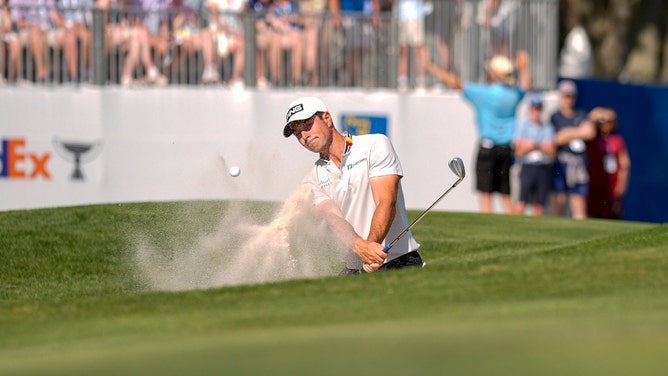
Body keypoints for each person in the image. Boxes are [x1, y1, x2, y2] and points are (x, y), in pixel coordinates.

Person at [282, 96, 424, 275]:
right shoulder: (310, 181)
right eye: (297, 134)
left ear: (327, 118)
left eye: (307, 125)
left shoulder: (375, 145)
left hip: (400, 262)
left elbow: (386, 202)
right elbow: (333, 219)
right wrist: (362, 248)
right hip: (357, 267)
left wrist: (370, 252)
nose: (304, 136)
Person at [426, 50, 531, 214]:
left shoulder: (485, 93)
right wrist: (524, 68)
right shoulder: (513, 95)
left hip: (488, 148)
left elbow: (455, 83)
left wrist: (432, 67)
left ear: (494, 74)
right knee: (506, 195)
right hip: (506, 149)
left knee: (486, 195)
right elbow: (525, 87)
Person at [549, 79, 589, 219]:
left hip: (578, 162)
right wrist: (577, 131)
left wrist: (567, 133)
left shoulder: (581, 114)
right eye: (566, 96)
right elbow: (556, 139)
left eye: (571, 96)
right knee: (559, 200)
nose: (569, 99)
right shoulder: (555, 117)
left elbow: (589, 132)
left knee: (579, 202)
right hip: (561, 161)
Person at [513, 94, 555, 216]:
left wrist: (533, 145)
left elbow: (551, 150)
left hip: (542, 167)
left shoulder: (547, 127)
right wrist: (540, 146)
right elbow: (519, 149)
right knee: (522, 200)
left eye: (539, 108)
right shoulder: (523, 125)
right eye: (534, 108)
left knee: (540, 203)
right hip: (527, 166)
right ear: (530, 109)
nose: (536, 111)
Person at [584, 107, 630, 219]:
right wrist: (595, 115)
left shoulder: (617, 140)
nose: (606, 125)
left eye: (609, 122)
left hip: (611, 183)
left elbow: (624, 164)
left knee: (612, 213)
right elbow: (586, 130)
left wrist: (621, 184)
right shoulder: (593, 139)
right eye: (603, 122)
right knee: (593, 213)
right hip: (594, 183)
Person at [395, 0, 430, 92]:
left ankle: (421, 81)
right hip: (402, 16)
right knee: (403, 50)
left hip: (416, 17)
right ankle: (403, 82)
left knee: (419, 50)